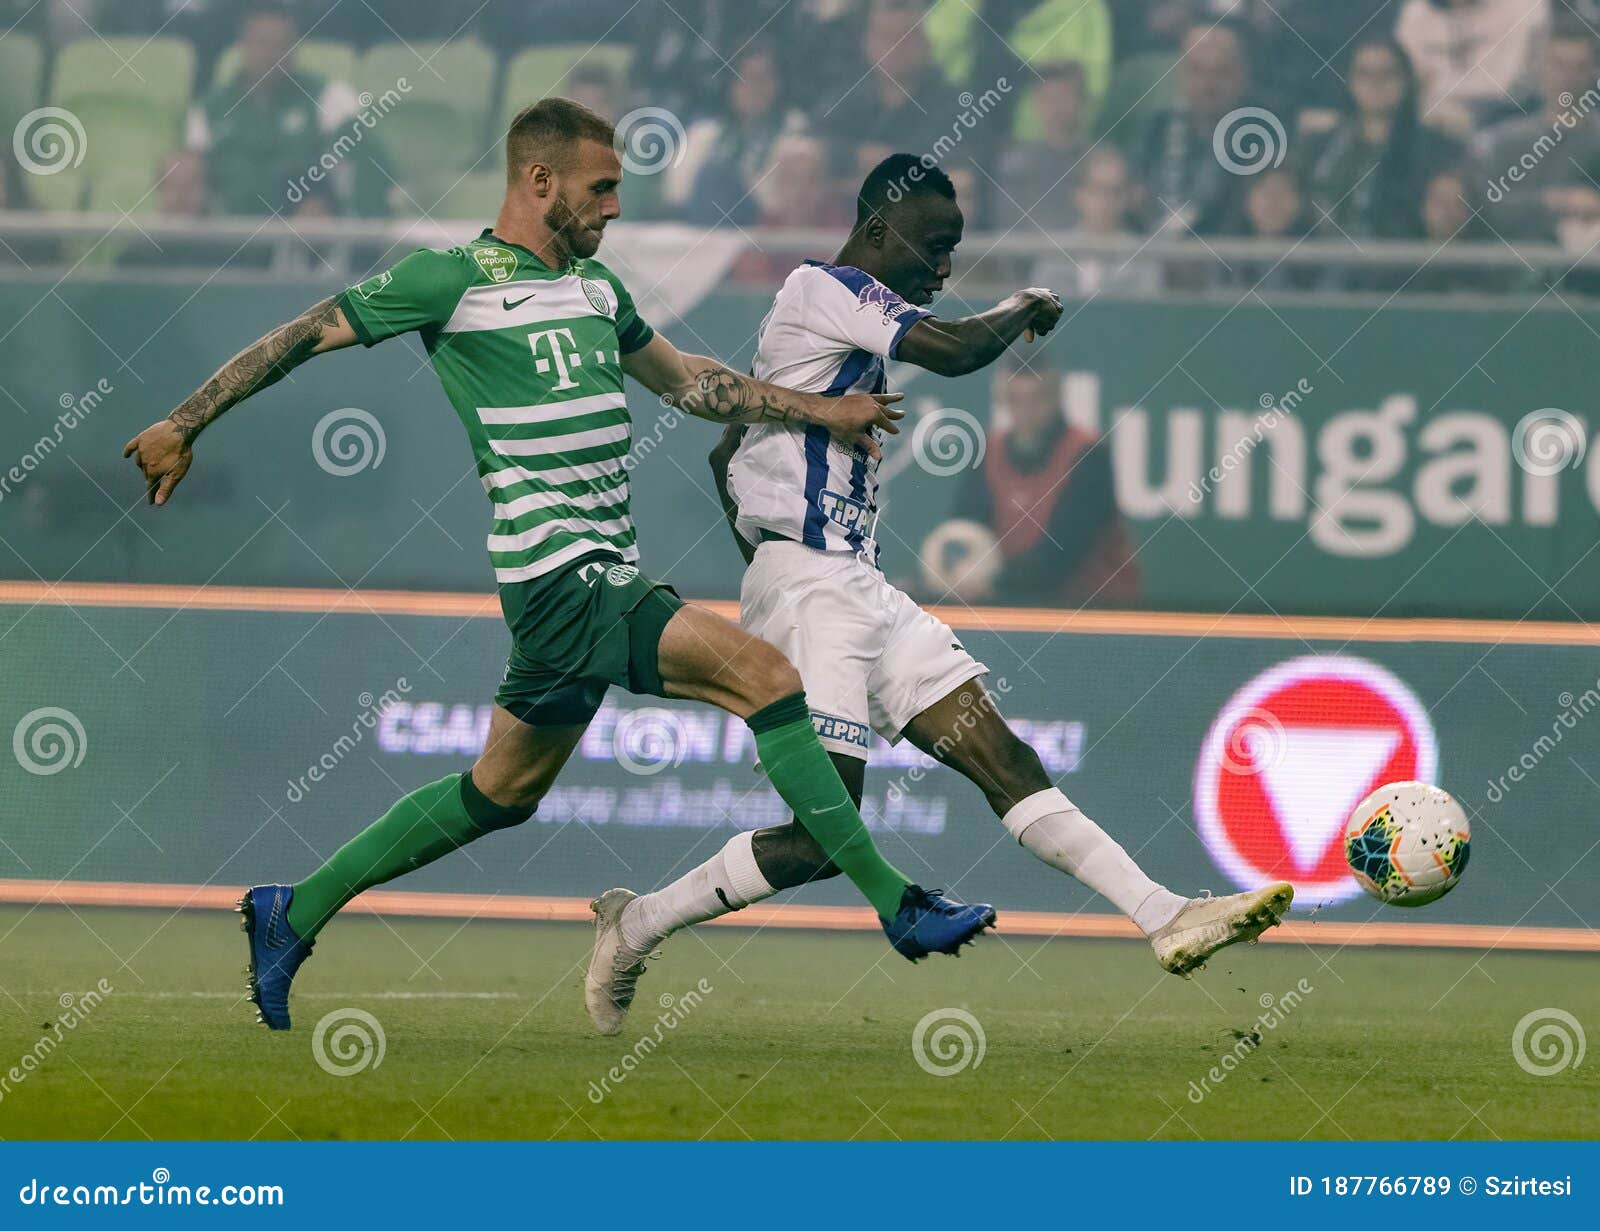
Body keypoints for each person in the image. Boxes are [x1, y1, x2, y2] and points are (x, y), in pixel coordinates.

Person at [123, 100, 997, 1033]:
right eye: (603, 187)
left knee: (498, 793)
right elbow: (304, 333)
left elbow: (691, 382)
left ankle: (287, 910)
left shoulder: (597, 292)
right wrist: (186, 420)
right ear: (539, 182)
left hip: (583, 581)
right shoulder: (447, 279)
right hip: (562, 571)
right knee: (769, 678)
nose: (616, 207)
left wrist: (819, 412)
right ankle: (896, 904)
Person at [586, 156, 1293, 1034]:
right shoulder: (825, 287)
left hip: (854, 586)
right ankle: (638, 923)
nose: (943, 268)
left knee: (1005, 759)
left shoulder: (827, 329)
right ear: (879, 231)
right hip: (813, 589)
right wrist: (1024, 304)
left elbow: (721, 454)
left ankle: (1164, 914)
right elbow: (957, 352)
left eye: (954, 250)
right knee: (818, 838)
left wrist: (770, 533)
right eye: (934, 246)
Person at [940, 352, 1139, 607]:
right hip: (1019, 606)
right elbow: (964, 532)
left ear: (1056, 398)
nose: (1026, 412)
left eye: (1037, 399)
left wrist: (990, 582)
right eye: (1015, 400)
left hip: (1095, 611)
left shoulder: (1089, 456)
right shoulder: (988, 454)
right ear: (1003, 401)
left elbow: (1060, 556)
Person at [184, 3, 358, 219]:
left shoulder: (330, 97)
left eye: (281, 45)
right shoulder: (209, 108)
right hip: (227, 234)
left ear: (295, 48)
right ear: (242, 46)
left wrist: (327, 203)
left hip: (301, 235)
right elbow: (192, 181)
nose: (271, 54)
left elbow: (354, 175)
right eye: (262, 43)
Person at [1127, 19, 1259, 236]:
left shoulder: (1260, 137)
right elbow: (1133, 195)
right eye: (1198, 71)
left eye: (1221, 72)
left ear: (1240, 76)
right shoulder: (1154, 130)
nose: (1209, 84)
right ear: (1182, 75)